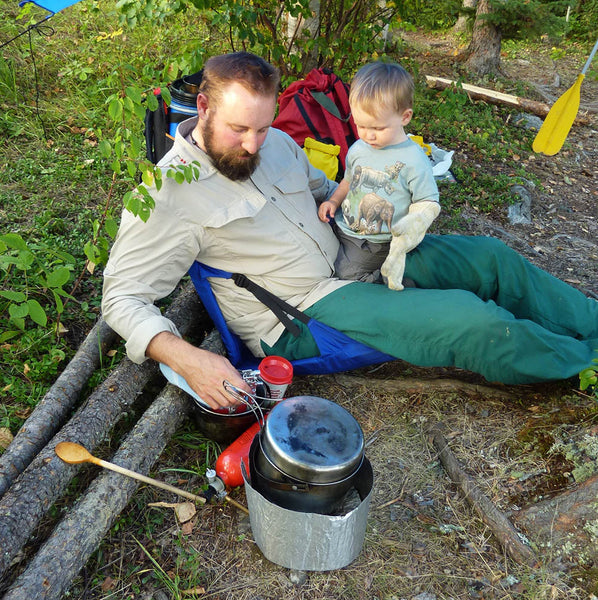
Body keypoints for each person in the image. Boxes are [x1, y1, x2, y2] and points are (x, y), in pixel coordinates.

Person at [102, 52, 598, 411]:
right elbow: (122, 297)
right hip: (305, 311)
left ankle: (592, 322)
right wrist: (187, 358)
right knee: (476, 322)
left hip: (356, 249)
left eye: (262, 126)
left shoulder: (276, 143)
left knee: (491, 258)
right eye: (239, 129)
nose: (253, 144)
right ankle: (584, 361)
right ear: (204, 107)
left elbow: (325, 189)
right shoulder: (167, 191)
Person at [318, 61, 440, 289]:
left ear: (405, 117)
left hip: (377, 240)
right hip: (346, 225)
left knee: (342, 274)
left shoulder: (413, 160)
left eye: (378, 129)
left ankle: (386, 279)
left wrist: (412, 227)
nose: (368, 135)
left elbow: (427, 202)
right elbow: (348, 181)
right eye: (361, 126)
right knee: (319, 258)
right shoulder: (358, 148)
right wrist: (333, 200)